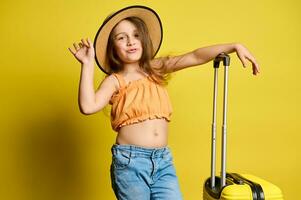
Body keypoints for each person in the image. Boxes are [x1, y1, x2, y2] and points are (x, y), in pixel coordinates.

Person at [68, 5, 260, 200]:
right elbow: (88, 106)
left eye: (135, 35)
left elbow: (194, 56)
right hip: (130, 163)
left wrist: (234, 46)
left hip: (163, 161)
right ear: (113, 48)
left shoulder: (156, 68)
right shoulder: (115, 80)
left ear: (143, 39)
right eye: (121, 37)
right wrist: (87, 64)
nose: (130, 42)